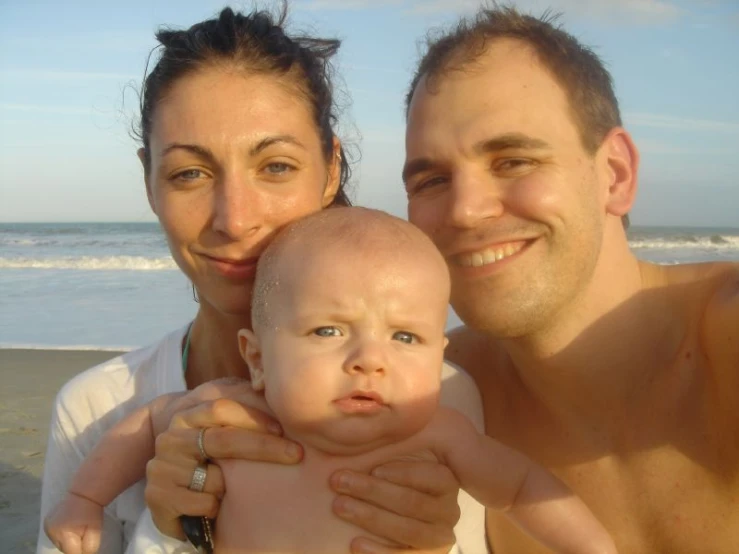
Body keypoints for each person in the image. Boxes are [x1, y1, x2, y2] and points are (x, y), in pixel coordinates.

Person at [36, 7, 487, 554]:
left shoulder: (433, 396)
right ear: (149, 182)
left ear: (331, 170)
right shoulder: (95, 410)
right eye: (189, 174)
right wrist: (175, 525)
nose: (235, 219)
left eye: (275, 166)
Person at [44, 207, 616, 554]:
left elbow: (522, 489)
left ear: (439, 356)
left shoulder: (442, 434)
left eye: (406, 338)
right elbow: (143, 424)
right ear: (259, 358)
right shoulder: (228, 411)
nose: (370, 360)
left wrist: (594, 545)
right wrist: (83, 499)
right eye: (327, 332)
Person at [402, 5, 739, 554]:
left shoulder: (725, 340)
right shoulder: (435, 390)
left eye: (513, 161)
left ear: (615, 174)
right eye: (432, 180)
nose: (464, 211)